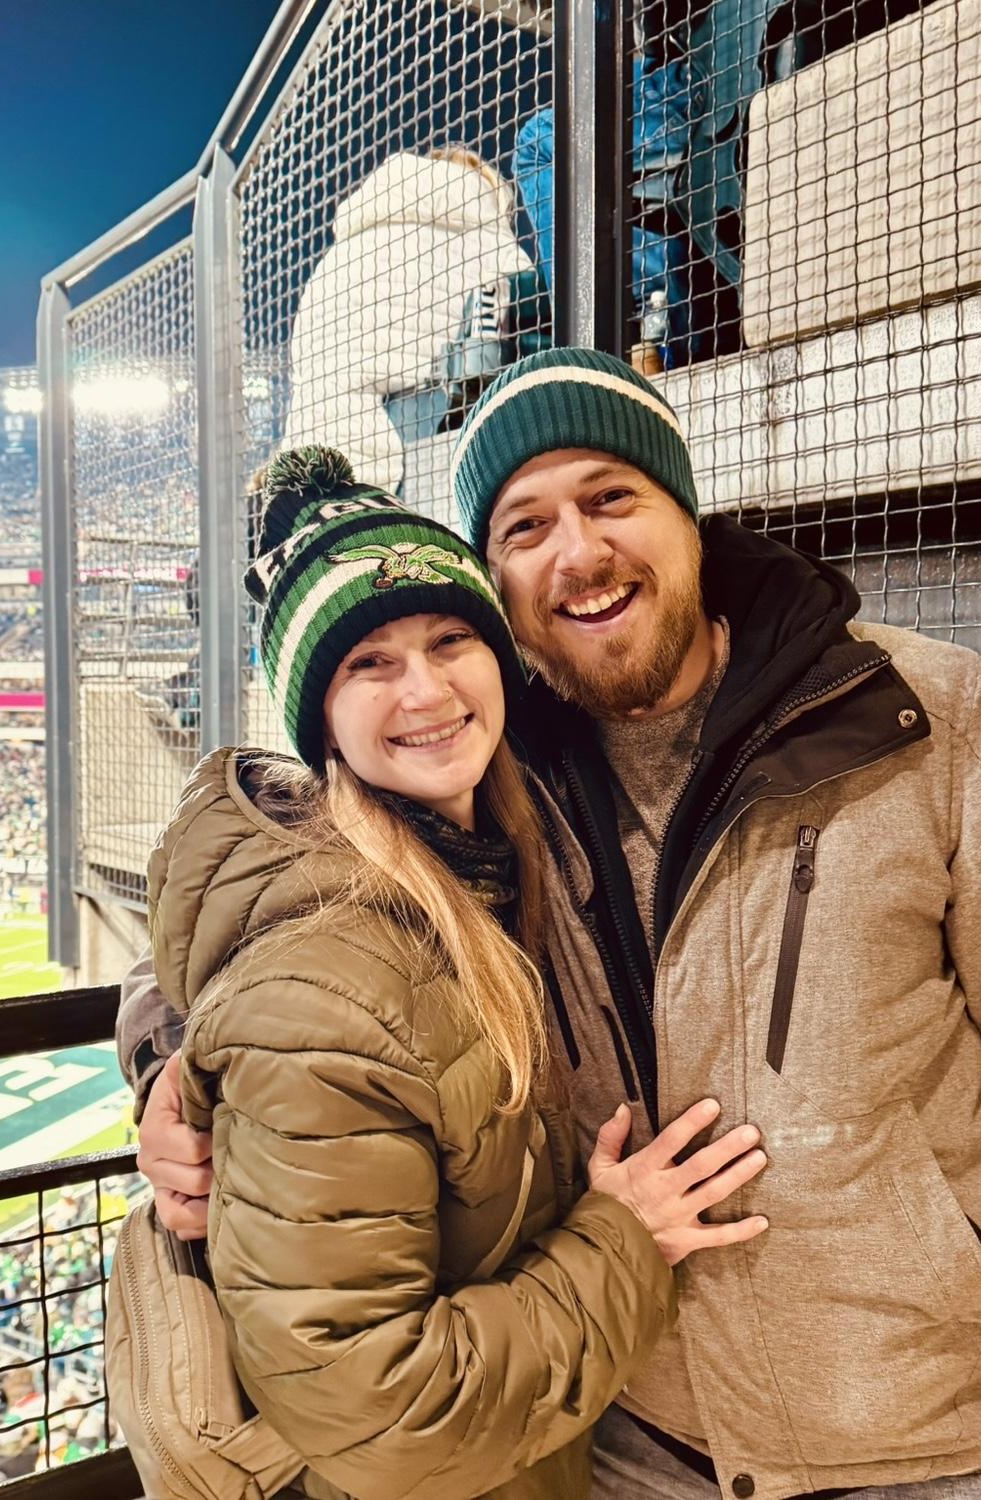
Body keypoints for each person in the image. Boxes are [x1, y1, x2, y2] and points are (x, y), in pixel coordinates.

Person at [121, 351, 981, 1500]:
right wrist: (171, 1069)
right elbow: (265, 908)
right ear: (498, 578)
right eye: (526, 526)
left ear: (686, 513)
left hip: (933, 1443)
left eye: (610, 498)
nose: (579, 553)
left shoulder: (917, 708)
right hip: (628, 1440)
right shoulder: (478, 756)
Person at [131, 444, 769, 1498]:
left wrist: (170, 1058)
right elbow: (382, 1413)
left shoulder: (492, 851)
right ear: (317, 718)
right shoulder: (333, 980)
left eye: (449, 640)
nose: (425, 690)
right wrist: (626, 1241)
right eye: (368, 663)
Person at [279, 148, 534, 492]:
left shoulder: (335, 259)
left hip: (310, 460)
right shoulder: (488, 242)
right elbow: (525, 321)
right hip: (416, 452)